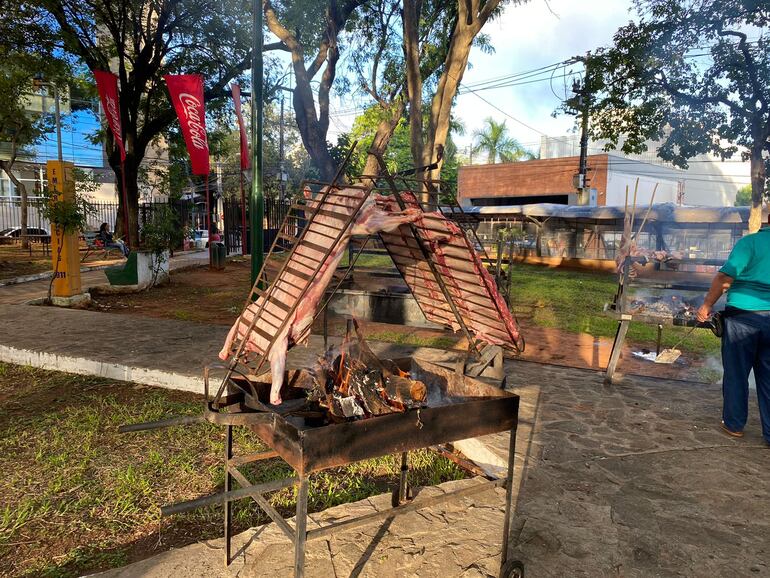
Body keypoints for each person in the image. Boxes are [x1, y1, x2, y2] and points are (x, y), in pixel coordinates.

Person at [697, 212, 770, 445]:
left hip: (743, 319)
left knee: (737, 373)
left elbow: (724, 278)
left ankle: (734, 424)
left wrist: (707, 304)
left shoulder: (749, 243)